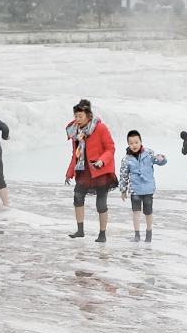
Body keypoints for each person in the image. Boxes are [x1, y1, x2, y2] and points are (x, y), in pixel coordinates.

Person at [64, 97, 117, 240]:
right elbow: (75, 155)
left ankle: (102, 234)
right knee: (77, 197)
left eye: (80, 116)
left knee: (101, 204)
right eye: (75, 116)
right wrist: (69, 173)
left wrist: (101, 161)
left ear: (88, 115)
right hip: (84, 170)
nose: (77, 119)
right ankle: (80, 230)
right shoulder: (76, 132)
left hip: (100, 171)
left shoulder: (100, 128)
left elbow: (110, 148)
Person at [118, 129, 166, 243]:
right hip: (135, 189)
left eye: (136, 142)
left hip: (148, 188)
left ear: (140, 141)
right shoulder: (126, 159)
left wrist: (161, 158)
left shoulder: (148, 153)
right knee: (136, 211)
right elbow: (123, 175)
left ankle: (149, 234)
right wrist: (123, 190)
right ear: (128, 144)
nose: (134, 145)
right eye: (131, 143)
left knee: (148, 212)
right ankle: (137, 234)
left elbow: (159, 161)